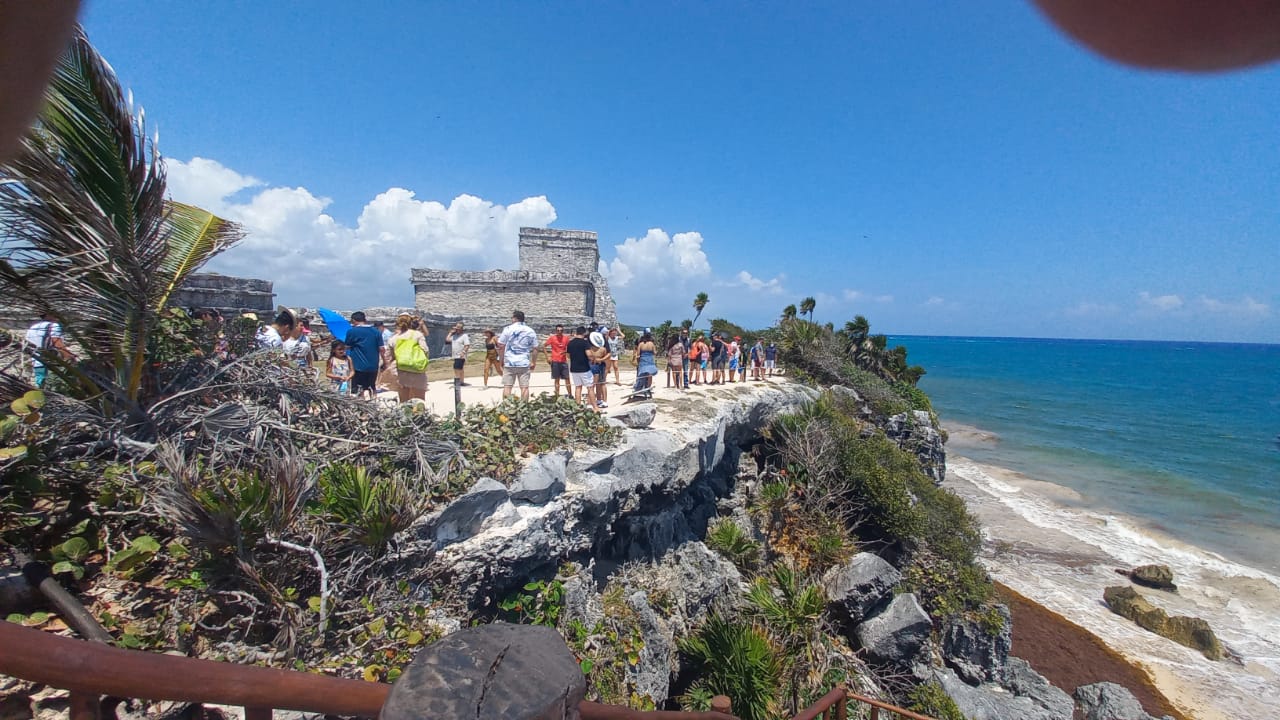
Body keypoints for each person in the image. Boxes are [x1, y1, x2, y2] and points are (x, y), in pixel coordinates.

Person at [344, 311, 386, 399]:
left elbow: (347, 346)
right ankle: (373, 402)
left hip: (357, 365)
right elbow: (382, 349)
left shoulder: (352, 331)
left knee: (357, 390)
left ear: (353, 320)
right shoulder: (376, 332)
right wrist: (385, 362)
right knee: (371, 387)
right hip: (373, 365)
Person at [24, 312, 73, 388]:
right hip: (51, 364)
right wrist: (69, 357)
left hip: (37, 363)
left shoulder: (32, 327)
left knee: (41, 387)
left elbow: (27, 344)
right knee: (55, 387)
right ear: (48, 315)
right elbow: (57, 343)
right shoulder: (54, 326)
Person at [389, 313, 430, 403]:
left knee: (404, 401)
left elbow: (392, 356)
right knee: (419, 400)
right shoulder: (417, 334)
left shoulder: (393, 338)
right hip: (417, 368)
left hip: (402, 370)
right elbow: (425, 349)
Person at [497, 310, 538, 399]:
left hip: (510, 362)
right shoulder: (530, 330)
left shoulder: (508, 329)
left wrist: (501, 360)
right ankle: (524, 405)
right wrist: (533, 362)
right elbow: (535, 348)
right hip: (523, 362)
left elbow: (501, 346)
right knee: (524, 387)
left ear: (515, 318)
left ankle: (507, 406)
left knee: (507, 387)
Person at [566, 326, 597, 411]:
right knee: (590, 388)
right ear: (584, 333)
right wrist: (593, 359)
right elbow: (589, 354)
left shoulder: (570, 343)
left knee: (578, 387)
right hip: (584, 368)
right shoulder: (584, 343)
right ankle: (595, 407)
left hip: (574, 369)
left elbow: (568, 356)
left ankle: (578, 408)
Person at [544, 324, 571, 397]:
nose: (559, 332)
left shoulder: (566, 338)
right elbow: (544, 346)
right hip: (555, 361)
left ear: (563, 331)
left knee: (567, 378)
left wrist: (566, 352)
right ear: (556, 331)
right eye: (558, 330)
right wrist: (547, 357)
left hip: (564, 361)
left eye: (561, 330)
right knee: (557, 379)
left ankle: (570, 394)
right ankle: (557, 395)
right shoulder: (552, 338)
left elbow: (570, 348)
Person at [633, 331, 658, 395]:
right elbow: (655, 352)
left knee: (642, 375)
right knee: (650, 375)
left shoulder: (641, 344)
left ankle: (640, 388)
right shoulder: (651, 344)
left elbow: (638, 355)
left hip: (643, 361)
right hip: (650, 361)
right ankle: (648, 388)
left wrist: (638, 361)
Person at [590, 332, 611, 408]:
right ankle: (599, 399)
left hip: (599, 365)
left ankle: (604, 401)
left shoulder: (600, 349)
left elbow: (607, 355)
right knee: (597, 384)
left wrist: (601, 359)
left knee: (602, 383)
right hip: (595, 365)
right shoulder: (592, 348)